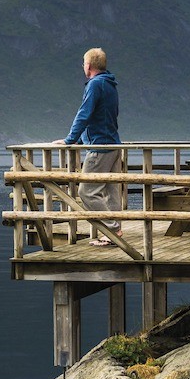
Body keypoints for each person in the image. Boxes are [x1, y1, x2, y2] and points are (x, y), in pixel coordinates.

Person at [58, 47, 123, 245]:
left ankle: (111, 229)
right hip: (113, 144)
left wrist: (70, 139)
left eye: (83, 63)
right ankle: (115, 232)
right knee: (111, 191)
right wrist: (81, 140)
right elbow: (105, 115)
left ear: (88, 65)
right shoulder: (110, 84)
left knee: (86, 191)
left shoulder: (95, 85)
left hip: (100, 147)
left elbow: (84, 114)